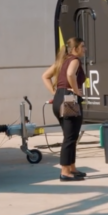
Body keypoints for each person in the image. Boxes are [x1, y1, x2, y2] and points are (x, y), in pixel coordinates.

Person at [41, 37, 87, 182]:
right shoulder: (74, 60)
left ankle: (72, 168)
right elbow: (70, 74)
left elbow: (45, 76)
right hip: (69, 100)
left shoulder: (61, 61)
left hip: (59, 99)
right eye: (82, 46)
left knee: (70, 135)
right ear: (75, 49)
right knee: (70, 137)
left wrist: (55, 93)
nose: (85, 49)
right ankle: (65, 172)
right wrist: (76, 90)